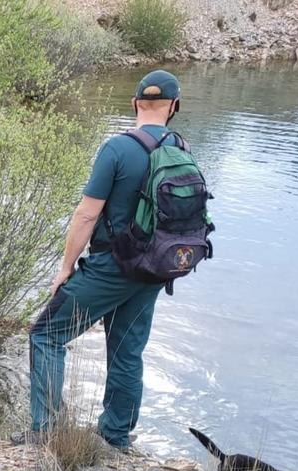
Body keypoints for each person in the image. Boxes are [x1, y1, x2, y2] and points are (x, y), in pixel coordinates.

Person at [16, 70, 186, 450]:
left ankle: (45, 431)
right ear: (174, 107)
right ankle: (115, 436)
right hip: (155, 270)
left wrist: (65, 268)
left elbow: (87, 215)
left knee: (46, 334)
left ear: (134, 104)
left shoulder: (116, 149)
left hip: (112, 267)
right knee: (127, 351)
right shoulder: (181, 149)